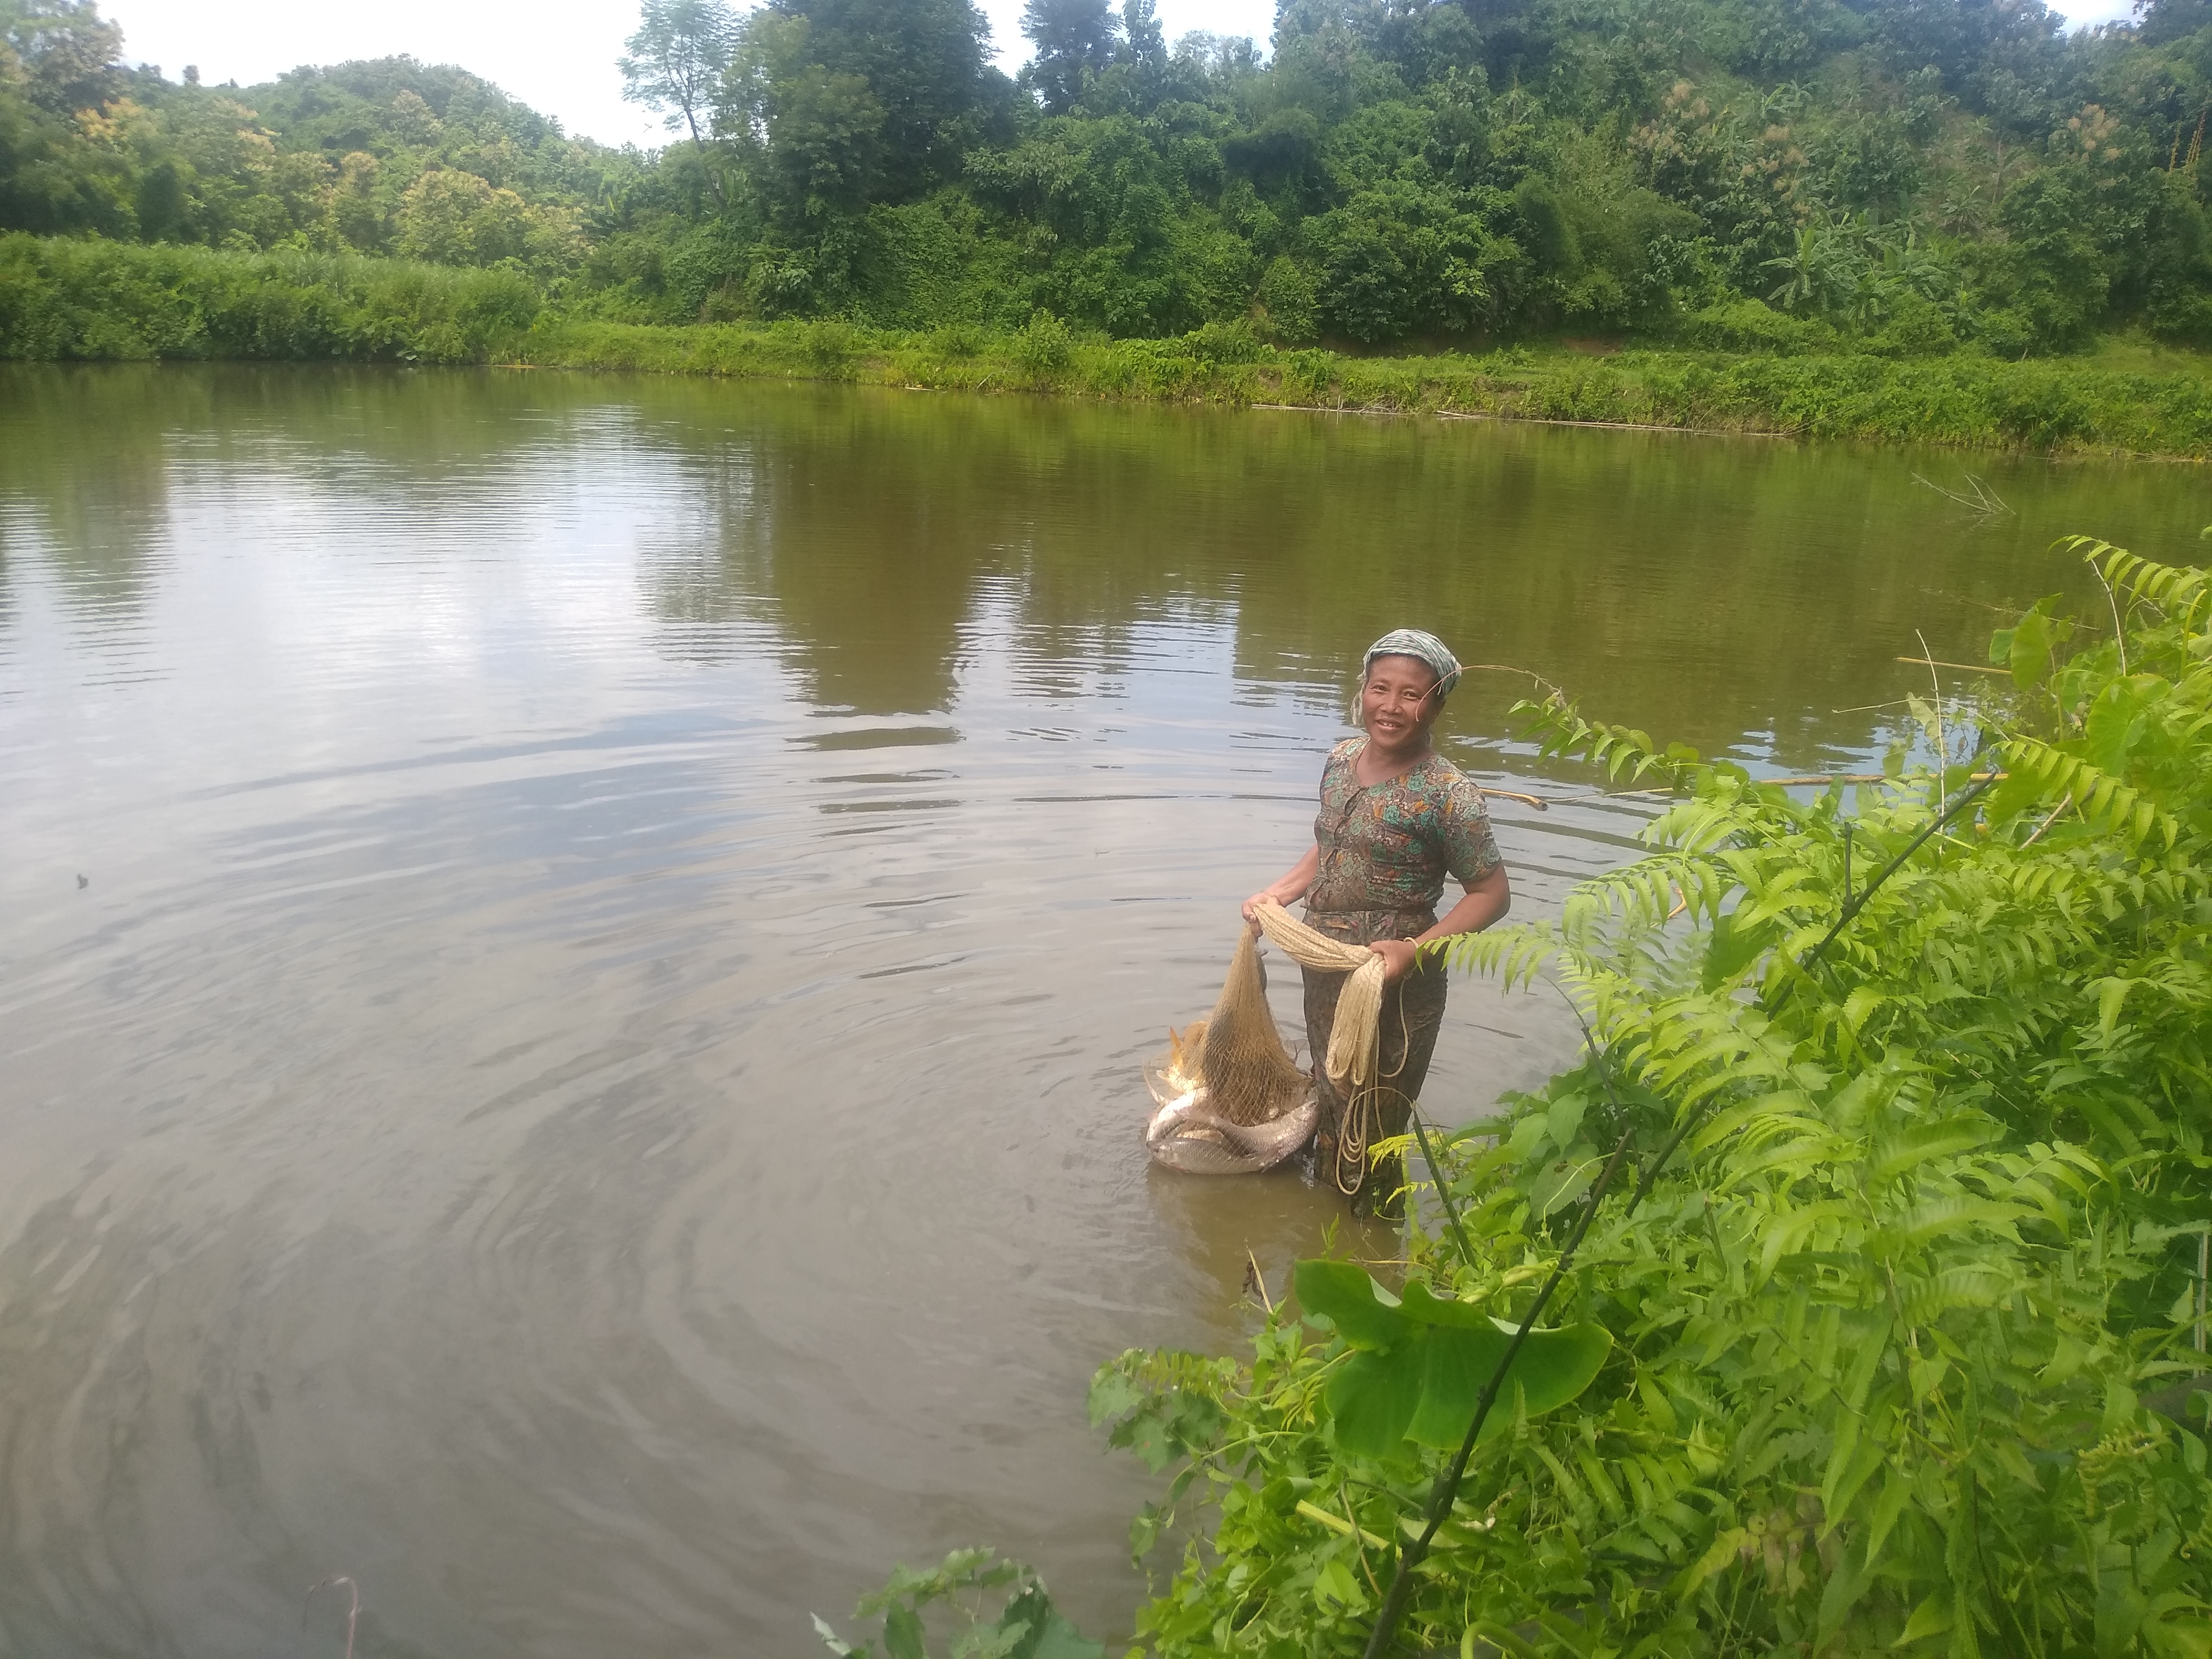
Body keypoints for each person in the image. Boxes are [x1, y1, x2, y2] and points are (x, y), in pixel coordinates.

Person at [1241, 629, 1511, 1213]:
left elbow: (1490, 894)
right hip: (1325, 964)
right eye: (1379, 688)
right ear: (1361, 689)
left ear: (1437, 704)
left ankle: (1375, 1228)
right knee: (1331, 1093)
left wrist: (1415, 950)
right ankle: (1324, 1225)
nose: (1390, 707)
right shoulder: (1340, 761)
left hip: (1393, 980)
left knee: (1376, 1117)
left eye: (1411, 695)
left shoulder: (1449, 795)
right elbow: (1332, 845)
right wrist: (1280, 893)